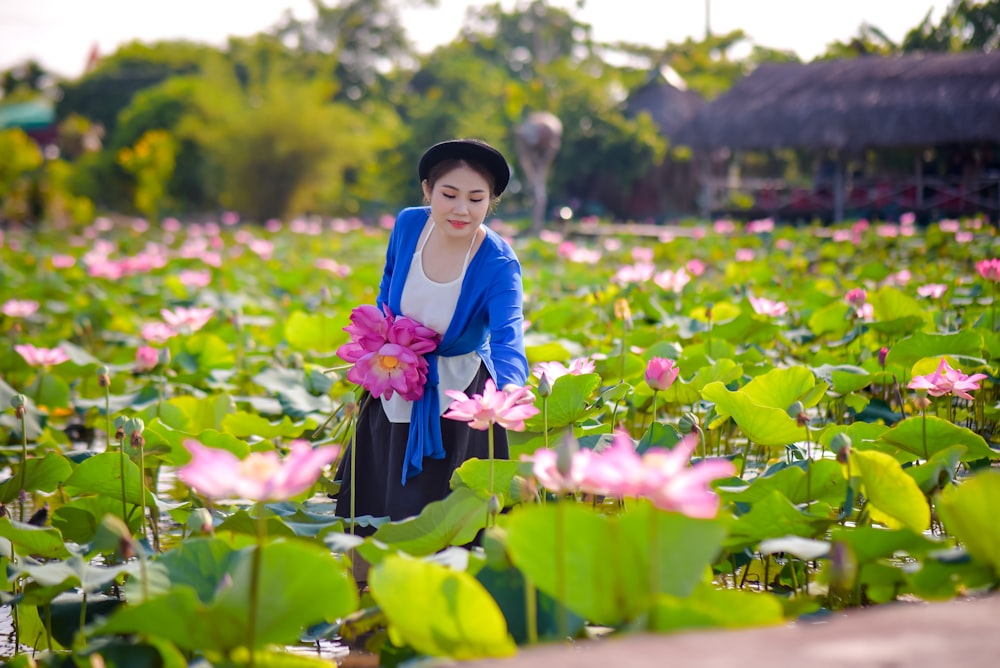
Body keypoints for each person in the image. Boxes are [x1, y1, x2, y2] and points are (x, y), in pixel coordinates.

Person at [334, 138, 533, 534]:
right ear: (427, 190)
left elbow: (508, 336)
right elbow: (388, 281)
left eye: (477, 199)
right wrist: (384, 337)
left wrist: (512, 390)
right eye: (449, 194)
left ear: (490, 202)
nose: (462, 210)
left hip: (460, 397)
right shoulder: (408, 224)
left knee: (447, 521)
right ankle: (365, 588)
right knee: (372, 507)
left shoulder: (498, 261)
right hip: (394, 376)